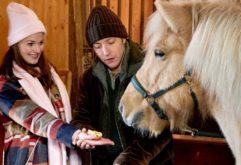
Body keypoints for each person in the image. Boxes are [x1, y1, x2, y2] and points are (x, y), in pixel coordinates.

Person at [0, 2, 113, 165]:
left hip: (63, 156)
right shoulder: (4, 85)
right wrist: (74, 135)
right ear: (16, 45)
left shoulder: (50, 75)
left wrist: (80, 133)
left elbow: (65, 116)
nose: (37, 49)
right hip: (29, 159)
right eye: (30, 43)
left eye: (40, 42)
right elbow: (37, 118)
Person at [71, 5, 174, 165]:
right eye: (97, 46)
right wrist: (84, 132)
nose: (105, 52)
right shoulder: (89, 78)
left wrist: (129, 160)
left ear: (123, 38)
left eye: (110, 42)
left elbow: (162, 127)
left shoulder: (148, 69)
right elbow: (81, 116)